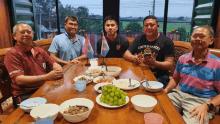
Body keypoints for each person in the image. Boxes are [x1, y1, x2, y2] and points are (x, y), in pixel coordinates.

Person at [164, 25, 220, 124]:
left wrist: (207, 106)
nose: (197, 39)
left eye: (202, 36)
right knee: (156, 109)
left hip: (202, 102)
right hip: (178, 95)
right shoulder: (183, 58)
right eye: (194, 36)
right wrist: (166, 90)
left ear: (211, 40)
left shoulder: (217, 63)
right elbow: (175, 79)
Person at [4, 23, 63, 108]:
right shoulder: (12, 54)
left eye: (29, 32)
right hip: (26, 94)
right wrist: (46, 77)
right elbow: (19, 80)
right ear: (14, 36)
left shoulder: (39, 50)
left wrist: (57, 67)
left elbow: (52, 62)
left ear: (33, 34)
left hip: (43, 88)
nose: (26, 34)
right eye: (22, 32)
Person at [124, 15, 174, 88]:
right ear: (143, 27)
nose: (149, 28)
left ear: (157, 26)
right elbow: (126, 54)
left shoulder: (166, 41)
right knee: (127, 86)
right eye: (146, 25)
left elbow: (170, 64)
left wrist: (155, 63)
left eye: (152, 25)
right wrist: (134, 58)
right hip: (140, 73)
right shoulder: (139, 39)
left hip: (159, 76)